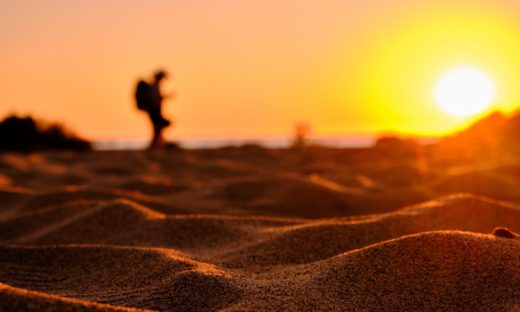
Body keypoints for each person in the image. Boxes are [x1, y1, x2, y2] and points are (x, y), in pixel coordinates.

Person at [135, 70, 172, 149]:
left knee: (157, 127)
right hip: (154, 110)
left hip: (153, 109)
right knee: (157, 127)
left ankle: (157, 144)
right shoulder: (155, 85)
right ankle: (155, 145)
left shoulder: (153, 85)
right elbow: (156, 98)